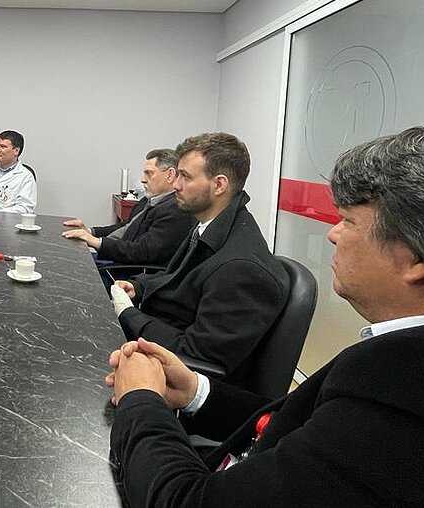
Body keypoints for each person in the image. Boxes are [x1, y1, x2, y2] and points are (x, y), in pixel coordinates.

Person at [106, 127, 424, 508]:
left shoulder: (400, 388)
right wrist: (195, 391)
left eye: (348, 221)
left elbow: (186, 502)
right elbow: (291, 424)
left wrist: (140, 400)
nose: (332, 234)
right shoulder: (393, 361)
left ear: (416, 260)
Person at [110, 133, 289, 385]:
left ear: (219, 185)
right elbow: (175, 277)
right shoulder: (209, 226)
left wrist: (128, 315)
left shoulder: (241, 268)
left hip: (176, 380)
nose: (175, 185)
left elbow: (196, 355)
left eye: (185, 176)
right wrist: (138, 287)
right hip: (159, 334)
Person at [61, 148, 194, 267]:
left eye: (149, 173)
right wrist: (91, 232)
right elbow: (126, 226)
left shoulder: (175, 210)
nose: (143, 179)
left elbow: (142, 252)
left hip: (127, 271)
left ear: (170, 175)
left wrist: (97, 242)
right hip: (117, 259)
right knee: (66, 259)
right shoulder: (148, 200)